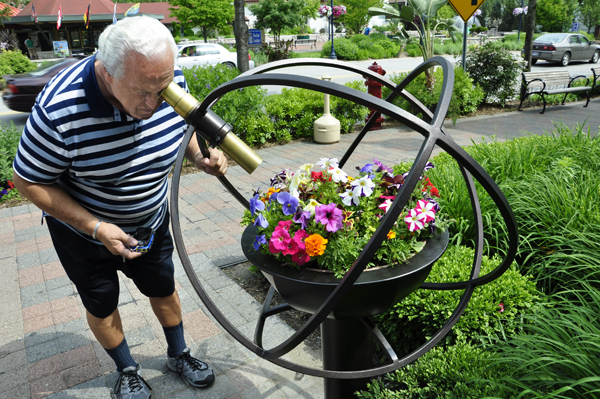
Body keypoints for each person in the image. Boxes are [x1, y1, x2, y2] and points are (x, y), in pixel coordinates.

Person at [12, 16, 227, 399]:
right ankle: (126, 369)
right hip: (85, 232)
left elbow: (183, 127)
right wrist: (96, 227)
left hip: (150, 218)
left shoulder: (163, 76)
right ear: (106, 73)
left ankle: (179, 353)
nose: (153, 103)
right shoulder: (59, 108)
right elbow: (27, 180)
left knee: (163, 287)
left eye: (161, 89)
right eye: (141, 92)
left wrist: (199, 156)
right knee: (102, 301)